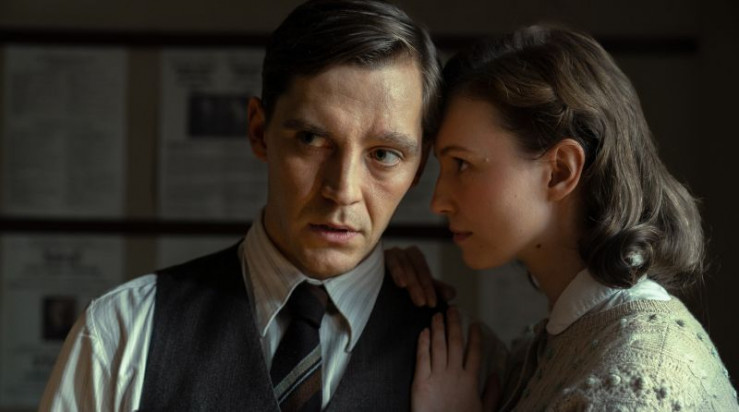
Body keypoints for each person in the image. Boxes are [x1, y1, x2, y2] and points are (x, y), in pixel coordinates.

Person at [39, 1, 449, 410]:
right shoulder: (120, 335)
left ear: (418, 166)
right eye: (311, 139)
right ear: (258, 131)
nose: (343, 190)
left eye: (384, 154)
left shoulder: (465, 359)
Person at [404, 25, 739, 411]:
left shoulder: (642, 376)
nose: (438, 202)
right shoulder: (543, 351)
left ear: (560, 171)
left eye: (462, 164)